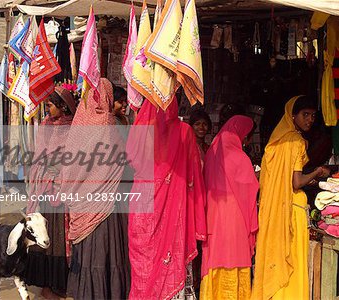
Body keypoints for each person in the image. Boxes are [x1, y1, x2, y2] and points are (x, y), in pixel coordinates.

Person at [126, 97, 207, 300]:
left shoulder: (141, 130)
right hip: (173, 208)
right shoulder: (184, 132)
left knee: (143, 269)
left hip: (141, 208)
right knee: (168, 263)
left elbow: (131, 159)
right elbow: (193, 176)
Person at [251, 96, 330, 300]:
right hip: (293, 210)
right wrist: (318, 172)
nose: (310, 119)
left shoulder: (276, 140)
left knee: (277, 254)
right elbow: (296, 182)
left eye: (313, 115)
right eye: (305, 115)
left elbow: (280, 178)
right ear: (292, 115)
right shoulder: (296, 141)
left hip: (276, 207)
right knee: (293, 259)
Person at [60, 78, 131, 299]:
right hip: (107, 205)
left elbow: (70, 166)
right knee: (106, 253)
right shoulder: (110, 124)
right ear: (108, 98)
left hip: (82, 201)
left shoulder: (80, 122)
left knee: (90, 253)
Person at [25, 86, 77, 299]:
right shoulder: (46, 125)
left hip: (63, 191)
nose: (47, 109)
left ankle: (59, 283)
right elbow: (39, 156)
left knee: (58, 236)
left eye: (50, 105)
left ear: (63, 106)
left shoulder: (73, 129)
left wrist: (61, 170)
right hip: (46, 190)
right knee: (43, 234)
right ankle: (45, 282)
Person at [200, 115, 259, 300]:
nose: (247, 140)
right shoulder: (239, 157)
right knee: (234, 256)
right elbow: (250, 187)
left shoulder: (212, 152)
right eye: (247, 135)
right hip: (235, 218)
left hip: (214, 217)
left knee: (216, 256)